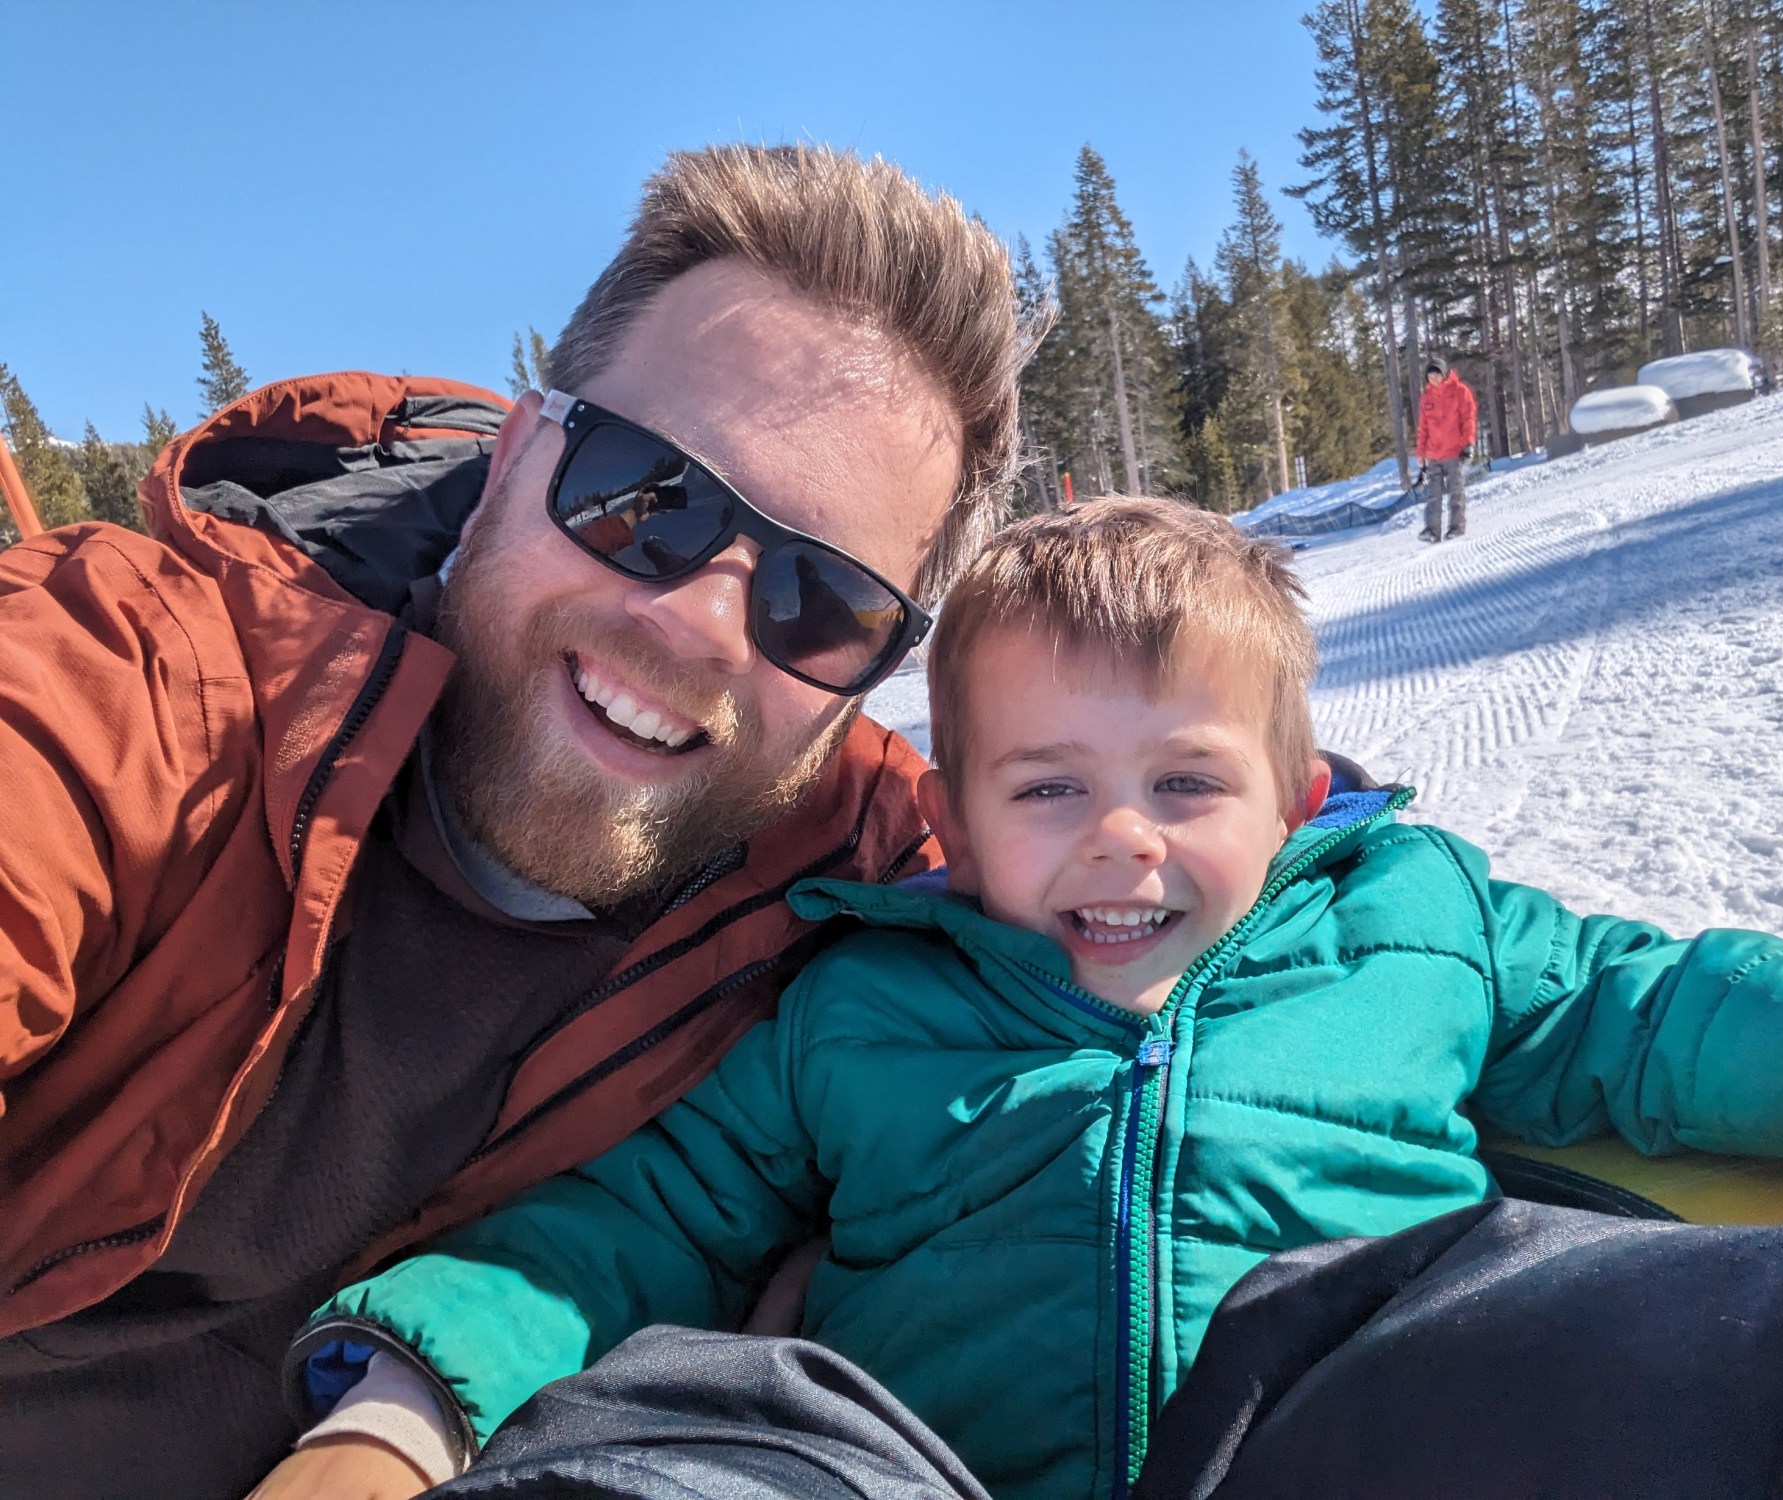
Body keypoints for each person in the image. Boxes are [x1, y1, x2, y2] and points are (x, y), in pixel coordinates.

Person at [272, 498, 1783, 1499]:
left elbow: (1624, 1004)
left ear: (1293, 796)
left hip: (1361, 1425)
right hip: (936, 1468)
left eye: (1185, 784)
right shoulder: (860, 1004)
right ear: (951, 819)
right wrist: (412, 1396)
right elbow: (646, 1216)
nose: (1122, 840)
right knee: (715, 1426)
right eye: (1047, 790)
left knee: (1775, 1322)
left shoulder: (1406, 919)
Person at [0, 143, 1029, 1500]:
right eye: (642, 495)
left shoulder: (853, 861)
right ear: (516, 455)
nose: (700, 627)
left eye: (820, 602)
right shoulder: (145, 683)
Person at [1415, 353, 1478, 541]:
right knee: (1433, 495)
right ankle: (1432, 531)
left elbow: (1468, 418)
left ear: (1444, 374)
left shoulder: (1460, 391)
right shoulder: (1426, 397)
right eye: (1430, 376)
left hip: (1455, 451)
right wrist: (1421, 452)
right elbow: (1423, 427)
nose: (1433, 379)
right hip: (1433, 454)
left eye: (1437, 375)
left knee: (1455, 492)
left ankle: (1456, 528)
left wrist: (1468, 443)